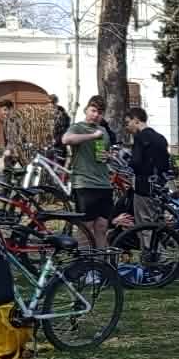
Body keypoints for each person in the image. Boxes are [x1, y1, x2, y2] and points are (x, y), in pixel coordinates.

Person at [63, 96, 115, 248]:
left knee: (102, 227)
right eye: (93, 111)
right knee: (86, 228)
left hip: (104, 184)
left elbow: (106, 153)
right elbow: (66, 140)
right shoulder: (78, 127)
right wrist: (92, 136)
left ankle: (100, 260)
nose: (95, 115)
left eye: (99, 112)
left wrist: (109, 156)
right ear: (86, 110)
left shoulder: (103, 130)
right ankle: (84, 260)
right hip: (85, 184)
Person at [123, 107, 174, 223]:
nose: (127, 127)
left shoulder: (140, 138)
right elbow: (166, 163)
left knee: (144, 223)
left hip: (143, 187)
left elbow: (136, 162)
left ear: (136, 120)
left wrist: (127, 161)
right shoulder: (161, 138)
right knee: (158, 221)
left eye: (128, 122)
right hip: (160, 186)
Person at [0, 98, 26, 180]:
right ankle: (6, 187)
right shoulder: (6, 121)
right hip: (12, 152)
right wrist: (5, 150)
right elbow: (7, 138)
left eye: (5, 110)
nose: (3, 112)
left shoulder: (18, 119)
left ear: (11, 109)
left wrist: (11, 150)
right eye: (2, 110)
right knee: (7, 170)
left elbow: (21, 136)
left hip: (22, 151)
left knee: (27, 170)